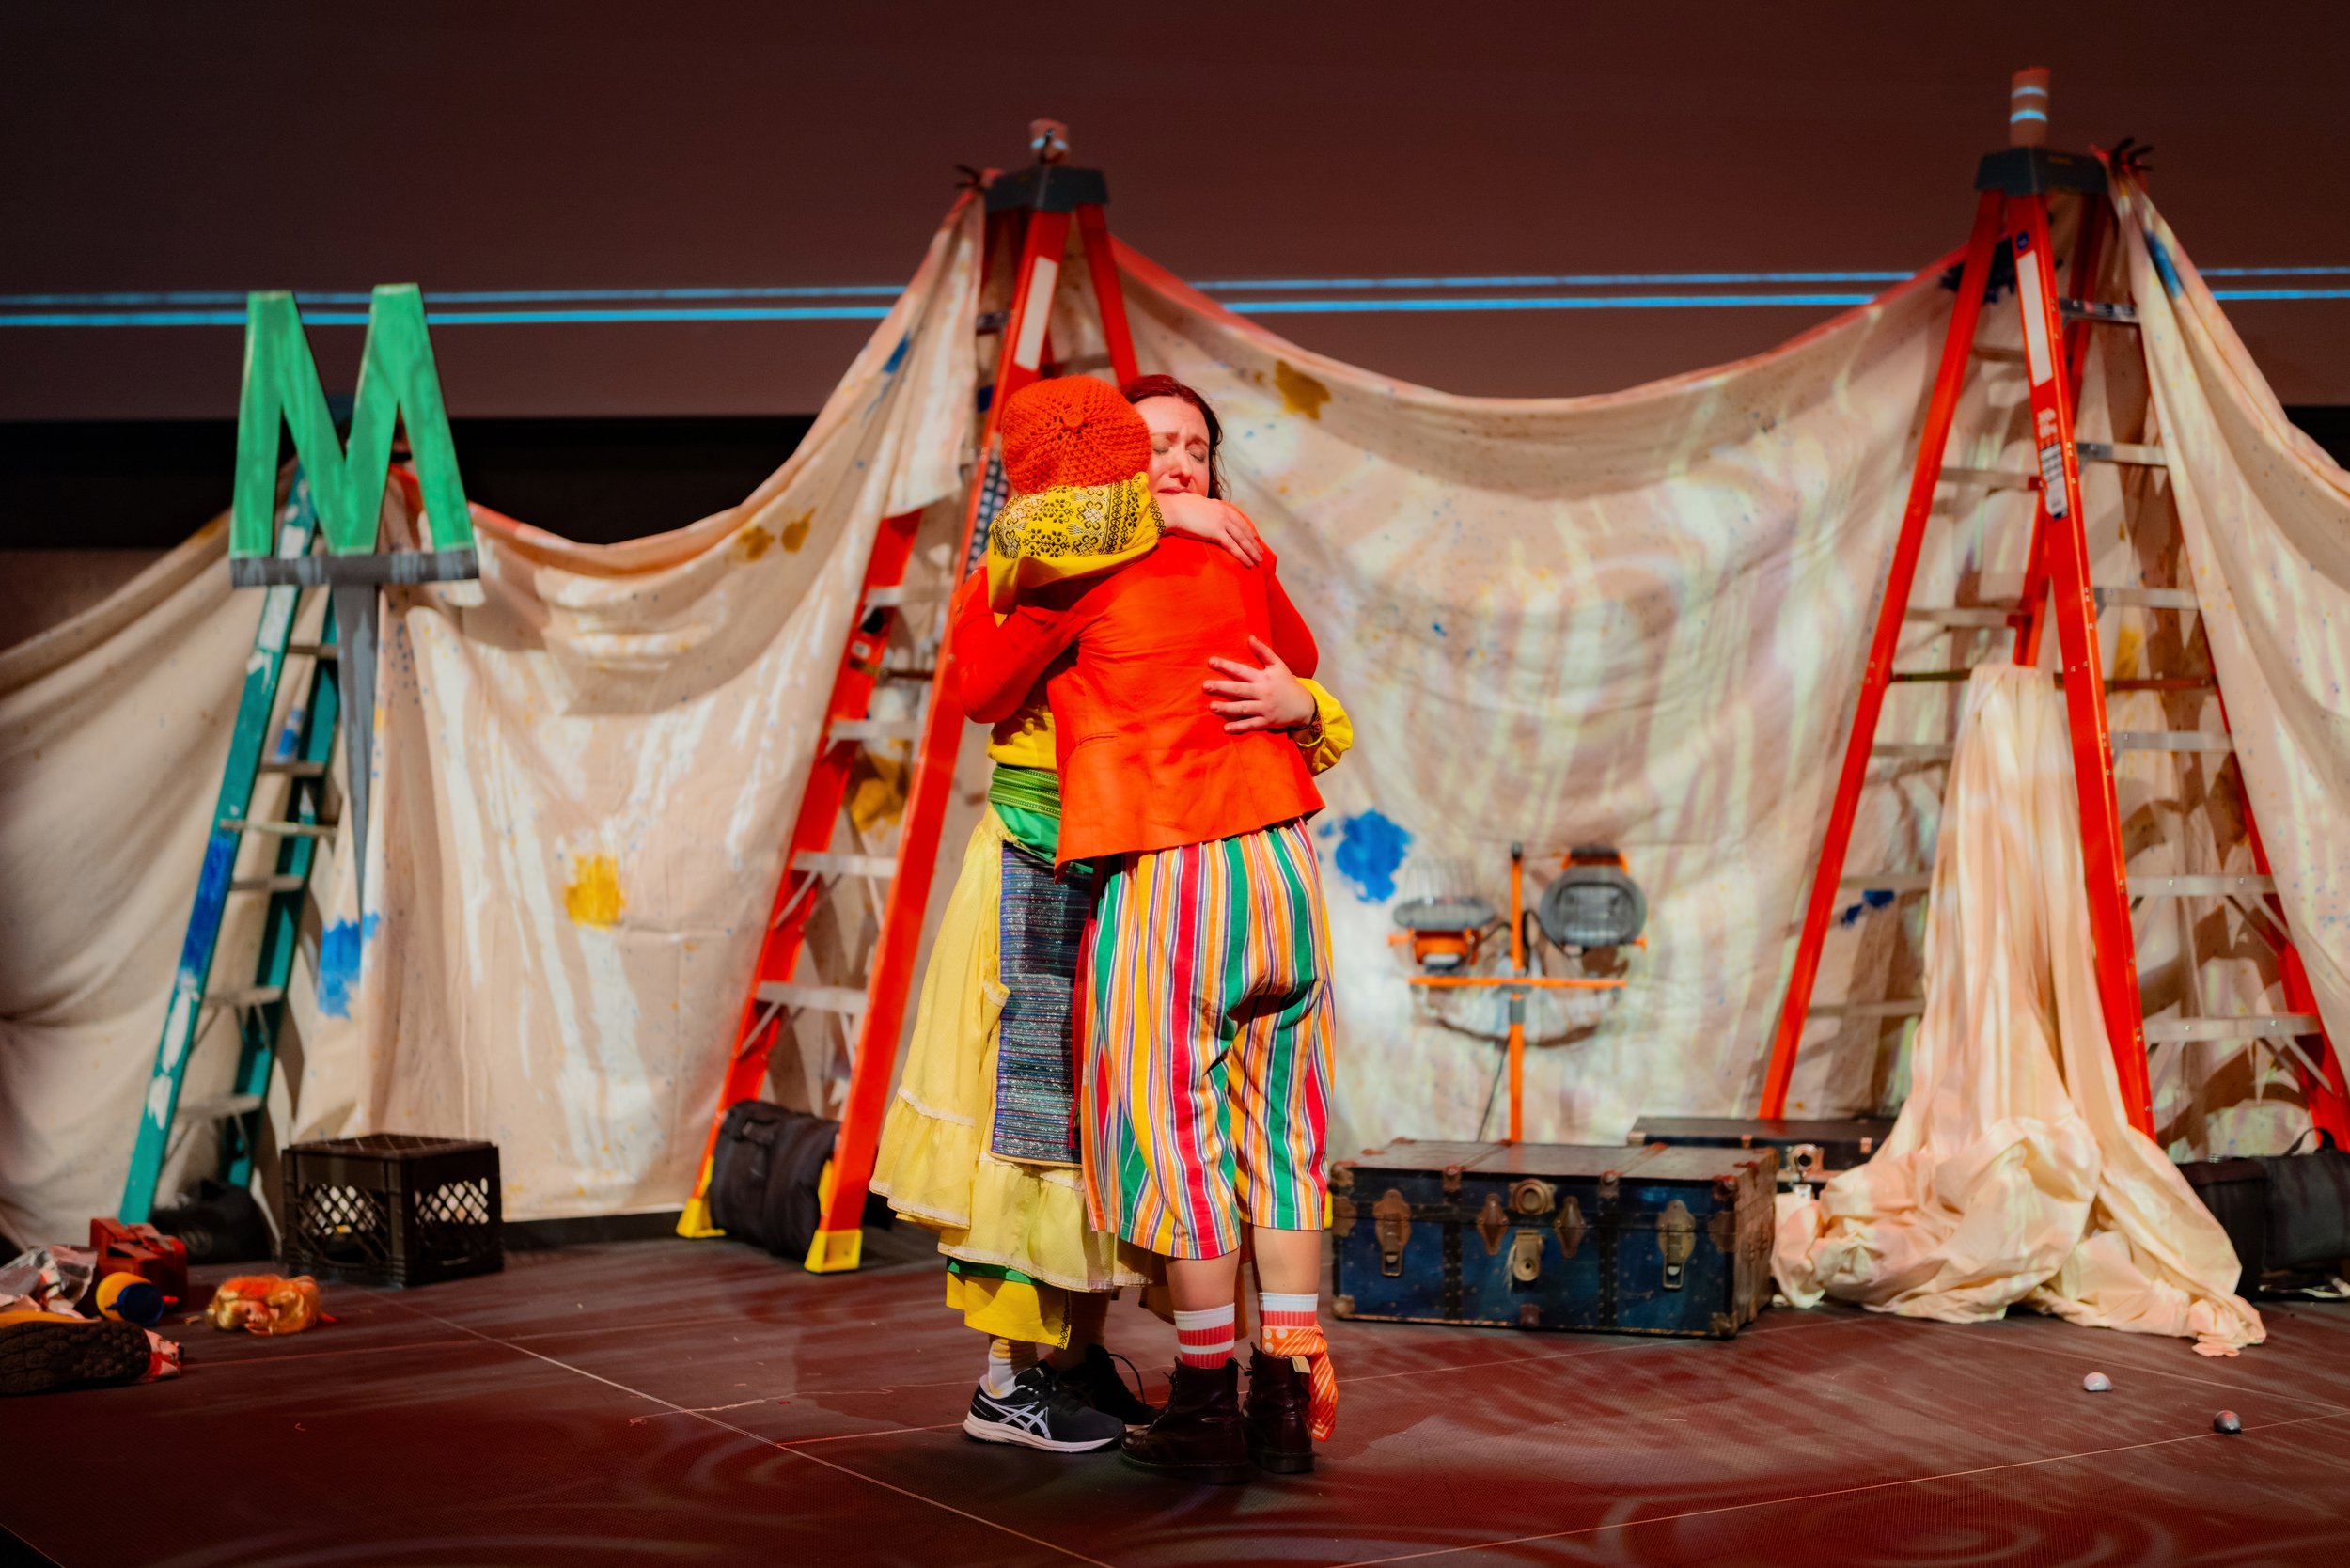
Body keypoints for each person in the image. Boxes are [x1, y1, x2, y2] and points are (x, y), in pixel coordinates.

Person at [868, 375, 1352, 1458]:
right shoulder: (1063, 555)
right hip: (1058, 866)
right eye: (1153, 449)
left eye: (1194, 450)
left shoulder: (1220, 549)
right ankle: (1026, 1373)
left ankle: (1179, 1380)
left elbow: (1292, 670)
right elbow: (983, 679)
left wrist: (1305, 705)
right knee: (1037, 1125)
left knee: (1143, 1135)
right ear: (1103, 473)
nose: (1178, 465)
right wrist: (1144, 521)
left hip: (1157, 868)